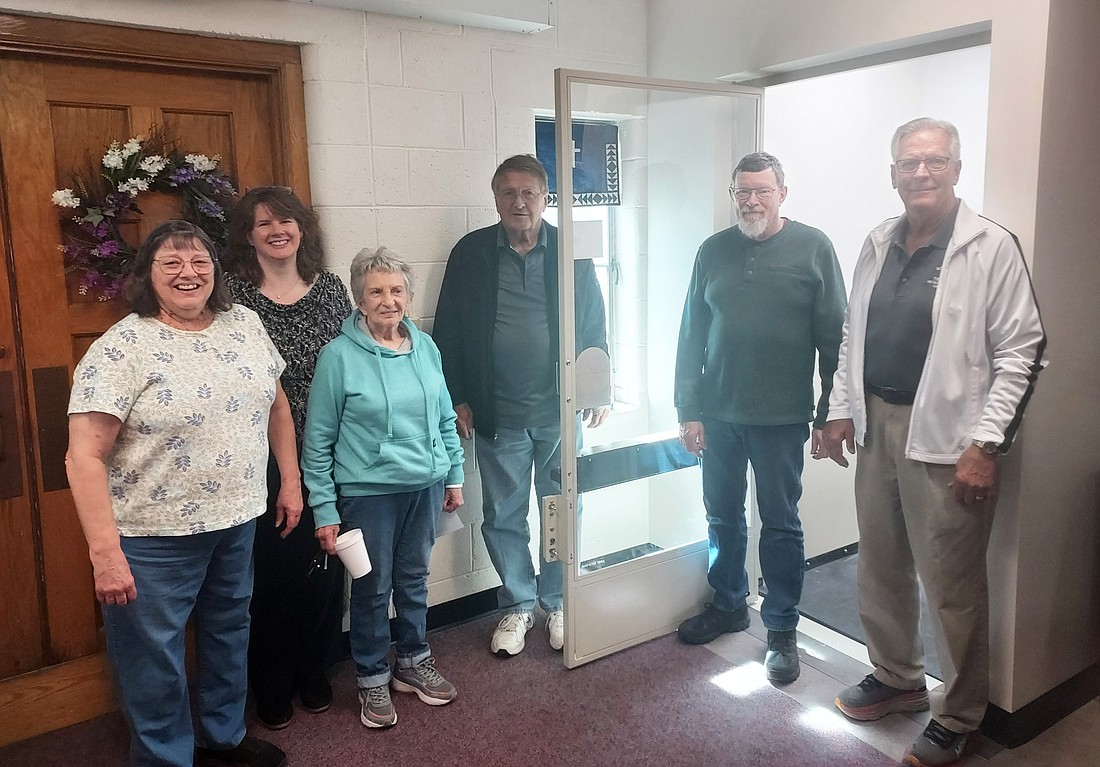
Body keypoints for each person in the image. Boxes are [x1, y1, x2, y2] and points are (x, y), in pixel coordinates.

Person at [819, 118, 1046, 767]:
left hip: (949, 442)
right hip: (877, 427)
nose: (921, 172)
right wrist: (840, 408)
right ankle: (898, 677)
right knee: (881, 564)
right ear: (893, 172)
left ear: (955, 167)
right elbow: (850, 336)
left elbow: (1023, 350)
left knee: (952, 584)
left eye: (935, 160)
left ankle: (960, 713)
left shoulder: (988, 246)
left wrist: (986, 443)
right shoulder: (877, 241)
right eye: (909, 162)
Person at [65, 220, 298, 767]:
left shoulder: (244, 324)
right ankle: (164, 757)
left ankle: (224, 735)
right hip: (151, 535)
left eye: (198, 262)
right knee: (153, 657)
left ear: (216, 270)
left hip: (237, 518)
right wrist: (105, 554)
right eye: (171, 263)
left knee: (228, 630)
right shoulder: (123, 345)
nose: (187, 273)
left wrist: (289, 480)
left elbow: (277, 405)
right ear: (149, 274)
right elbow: (83, 456)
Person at [673, 152, 846, 683]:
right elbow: (691, 334)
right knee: (722, 516)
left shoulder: (814, 248)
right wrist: (689, 409)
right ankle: (728, 604)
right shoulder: (713, 251)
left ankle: (780, 629)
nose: (751, 201)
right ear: (733, 194)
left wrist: (828, 414)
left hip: (781, 419)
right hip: (719, 416)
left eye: (762, 191)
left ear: (782, 193)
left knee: (780, 523)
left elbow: (833, 339)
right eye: (743, 192)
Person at [433, 154, 609, 657]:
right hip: (498, 413)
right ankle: (517, 605)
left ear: (545, 197)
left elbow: (594, 321)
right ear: (495, 200)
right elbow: (449, 329)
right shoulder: (470, 253)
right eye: (508, 193)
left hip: (561, 411)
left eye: (529, 192)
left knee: (562, 508)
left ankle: (557, 603)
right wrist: (459, 396)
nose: (519, 202)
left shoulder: (571, 250)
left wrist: (596, 388)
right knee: (504, 515)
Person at [302, 247, 464, 730]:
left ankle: (412, 662)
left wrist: (453, 475)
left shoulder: (426, 346)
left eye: (396, 290)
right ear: (359, 298)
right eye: (376, 291)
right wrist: (325, 509)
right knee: (372, 588)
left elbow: (445, 417)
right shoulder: (338, 357)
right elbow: (317, 441)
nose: (388, 300)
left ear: (408, 296)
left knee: (413, 578)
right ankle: (372, 677)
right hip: (368, 493)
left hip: (426, 485)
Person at [225, 186, 352, 729]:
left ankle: (314, 667)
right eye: (263, 224)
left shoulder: (330, 288)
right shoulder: (231, 295)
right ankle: (272, 680)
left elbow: (354, 360)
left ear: (303, 227)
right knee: (274, 573)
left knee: (325, 567)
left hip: (331, 451)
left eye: (287, 221)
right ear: (248, 235)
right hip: (263, 458)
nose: (278, 231)